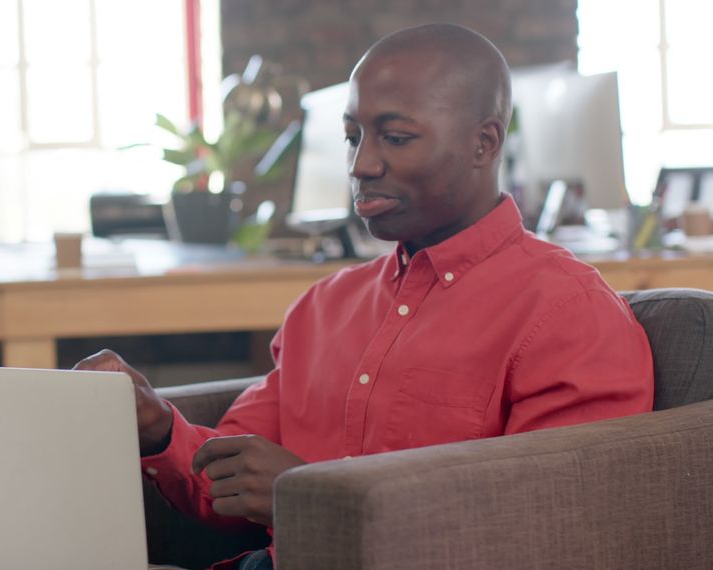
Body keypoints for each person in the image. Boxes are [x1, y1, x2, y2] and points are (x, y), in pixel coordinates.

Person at [75, 23, 654, 570]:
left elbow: (554, 528)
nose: (361, 164)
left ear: (485, 143)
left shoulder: (569, 313)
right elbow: (225, 478)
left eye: (395, 138)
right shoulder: (324, 307)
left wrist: (307, 498)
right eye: (352, 137)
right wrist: (160, 428)